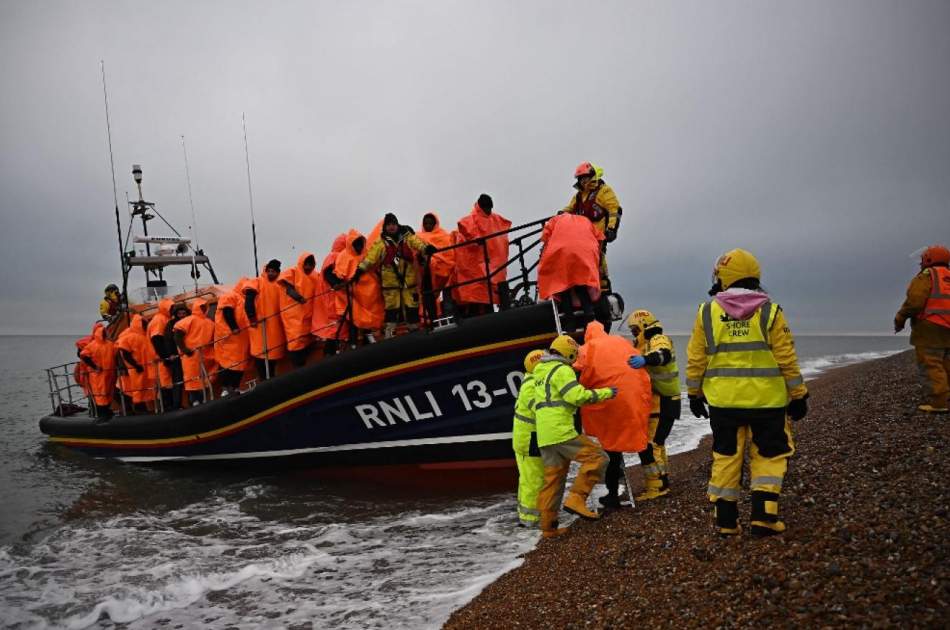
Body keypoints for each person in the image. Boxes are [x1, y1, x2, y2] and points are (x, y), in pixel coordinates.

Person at [686, 248, 808, 537]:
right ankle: (764, 516)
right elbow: (786, 358)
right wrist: (798, 394)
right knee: (769, 453)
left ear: (722, 277)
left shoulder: (707, 312)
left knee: (726, 455)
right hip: (768, 402)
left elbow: (696, 359)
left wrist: (693, 394)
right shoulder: (770, 311)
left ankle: (726, 520)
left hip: (723, 402)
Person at [533, 334, 617, 538]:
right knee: (597, 458)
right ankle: (577, 499)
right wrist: (606, 392)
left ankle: (548, 527)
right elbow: (576, 396)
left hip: (544, 435)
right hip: (561, 431)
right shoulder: (562, 370)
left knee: (553, 481)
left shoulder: (539, 371)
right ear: (569, 353)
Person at [573, 321, 651, 509]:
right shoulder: (621, 341)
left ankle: (613, 495)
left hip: (610, 401)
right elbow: (638, 361)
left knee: (611, 449)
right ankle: (656, 481)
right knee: (637, 438)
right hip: (631, 398)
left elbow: (577, 368)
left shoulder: (587, 347)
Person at [626, 309, 682, 500]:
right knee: (657, 443)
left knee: (650, 445)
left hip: (665, 400)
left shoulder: (657, 338)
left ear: (643, 325)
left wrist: (644, 360)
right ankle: (662, 481)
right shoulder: (642, 344)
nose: (634, 333)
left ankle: (656, 486)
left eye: (635, 329)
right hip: (661, 401)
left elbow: (663, 355)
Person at [357, 213, 435, 338]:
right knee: (391, 308)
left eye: (393, 224)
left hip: (408, 281)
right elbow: (370, 258)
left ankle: (414, 329)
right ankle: (390, 333)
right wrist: (359, 270)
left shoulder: (407, 237)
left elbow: (418, 243)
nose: (391, 227)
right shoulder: (380, 243)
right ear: (385, 227)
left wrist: (427, 248)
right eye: (388, 225)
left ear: (397, 224)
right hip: (390, 283)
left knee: (412, 306)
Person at [894, 244, 950, 413]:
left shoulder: (926, 276)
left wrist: (900, 318)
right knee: (947, 363)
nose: (921, 263)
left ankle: (939, 403)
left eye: (923, 259)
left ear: (929, 259)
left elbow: (915, 302)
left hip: (930, 328)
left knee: (931, 364)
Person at [560, 162, 621, 293]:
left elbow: (614, 209)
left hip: (598, 235)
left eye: (585, 177)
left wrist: (612, 229)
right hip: (582, 237)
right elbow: (570, 208)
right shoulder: (579, 196)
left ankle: (603, 289)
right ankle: (583, 290)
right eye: (580, 179)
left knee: (598, 260)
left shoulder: (604, 191)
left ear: (592, 176)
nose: (583, 181)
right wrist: (561, 214)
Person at [537, 212, 604, 330]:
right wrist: (598, 262)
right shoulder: (585, 220)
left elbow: (545, 237)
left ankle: (570, 321)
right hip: (585, 252)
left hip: (561, 252)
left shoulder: (555, 220)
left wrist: (543, 259)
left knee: (563, 288)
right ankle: (590, 316)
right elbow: (600, 237)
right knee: (581, 285)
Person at [452, 195, 512, 317]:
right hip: (476, 271)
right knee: (477, 300)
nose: (488, 210)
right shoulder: (471, 220)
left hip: (491, 268)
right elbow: (465, 228)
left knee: (487, 300)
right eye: (486, 208)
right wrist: (476, 239)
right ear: (480, 206)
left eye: (490, 208)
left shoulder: (496, 219)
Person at [332, 229, 385, 345]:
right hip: (353, 294)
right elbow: (339, 275)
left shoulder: (367, 252)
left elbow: (375, 266)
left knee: (370, 316)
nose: (359, 246)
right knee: (354, 318)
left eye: (361, 243)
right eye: (356, 244)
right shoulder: (343, 256)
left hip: (371, 291)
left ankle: (369, 338)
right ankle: (353, 343)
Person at [513, 349, 545, 528]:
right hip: (529, 440)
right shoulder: (532, 386)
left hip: (527, 438)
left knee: (528, 479)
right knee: (534, 480)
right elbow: (541, 409)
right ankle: (530, 521)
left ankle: (527, 517)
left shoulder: (531, 382)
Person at [243, 259, 287, 380]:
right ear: (266, 271)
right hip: (260, 329)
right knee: (261, 358)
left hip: (276, 331)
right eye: (270, 271)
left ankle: (270, 381)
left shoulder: (280, 285)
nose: (271, 273)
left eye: (274, 271)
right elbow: (248, 302)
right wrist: (252, 318)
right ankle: (264, 382)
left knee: (272, 360)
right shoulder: (256, 282)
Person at [174, 298, 215, 407]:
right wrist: (185, 350)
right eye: (201, 306)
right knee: (192, 380)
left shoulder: (210, 322)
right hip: (191, 356)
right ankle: (195, 401)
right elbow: (178, 334)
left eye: (204, 306)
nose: (203, 308)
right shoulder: (188, 320)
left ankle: (207, 398)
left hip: (206, 356)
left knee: (205, 379)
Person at [279, 252, 317, 367]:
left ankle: (303, 365)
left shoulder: (314, 276)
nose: (308, 267)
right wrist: (299, 298)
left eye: (311, 264)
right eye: (307, 264)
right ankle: (297, 367)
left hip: (308, 315)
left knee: (308, 340)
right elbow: (288, 289)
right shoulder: (292, 271)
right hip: (293, 316)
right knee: (295, 341)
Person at [417, 212, 456, 322]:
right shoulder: (418, 237)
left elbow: (449, 255)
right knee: (428, 298)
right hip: (427, 274)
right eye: (425, 223)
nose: (428, 225)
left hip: (443, 273)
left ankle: (447, 316)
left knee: (446, 295)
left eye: (430, 223)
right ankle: (432, 319)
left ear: (435, 223)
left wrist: (437, 261)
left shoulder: (443, 236)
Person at [312, 234, 347, 355]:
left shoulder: (338, 257)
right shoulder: (334, 256)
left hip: (335, 297)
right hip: (333, 298)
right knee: (334, 328)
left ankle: (333, 352)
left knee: (337, 328)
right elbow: (328, 273)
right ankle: (329, 354)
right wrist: (338, 284)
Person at [215, 280, 251, 396]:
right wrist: (234, 327)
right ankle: (225, 388)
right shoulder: (230, 296)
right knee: (227, 362)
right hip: (229, 337)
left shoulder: (243, 299)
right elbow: (227, 311)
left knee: (240, 364)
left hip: (241, 338)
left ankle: (234, 387)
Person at [115, 314, 154, 413]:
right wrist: (135, 365)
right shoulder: (129, 337)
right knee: (135, 390)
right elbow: (124, 352)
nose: (146, 325)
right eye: (144, 323)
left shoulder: (142, 336)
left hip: (142, 368)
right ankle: (137, 409)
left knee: (140, 390)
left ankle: (141, 408)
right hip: (134, 370)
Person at [79, 324, 116, 420]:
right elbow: (83, 355)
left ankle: (106, 411)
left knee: (108, 393)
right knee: (100, 394)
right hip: (97, 375)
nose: (105, 333)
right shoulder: (92, 345)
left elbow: (116, 353)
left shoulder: (110, 344)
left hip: (109, 373)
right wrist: (95, 367)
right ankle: (102, 414)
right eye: (103, 332)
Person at [147, 299, 175, 411]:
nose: (173, 310)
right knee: (165, 382)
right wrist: (166, 358)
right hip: (160, 359)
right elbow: (156, 339)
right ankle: (167, 407)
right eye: (171, 308)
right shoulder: (159, 320)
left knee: (168, 382)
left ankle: (169, 405)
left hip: (164, 357)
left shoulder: (166, 318)